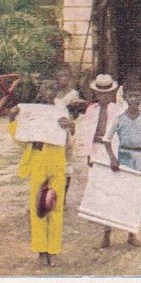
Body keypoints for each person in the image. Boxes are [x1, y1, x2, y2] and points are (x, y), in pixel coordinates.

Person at [9, 77, 73, 267]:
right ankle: (41, 249)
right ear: (39, 90)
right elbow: (21, 138)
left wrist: (70, 128)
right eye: (45, 88)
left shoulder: (62, 112)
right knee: (38, 206)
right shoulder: (30, 112)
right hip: (38, 158)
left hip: (57, 159)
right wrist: (12, 119)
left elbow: (69, 141)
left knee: (55, 206)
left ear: (56, 92)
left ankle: (53, 249)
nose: (48, 92)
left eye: (52, 88)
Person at [100, 85, 141, 248]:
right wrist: (112, 159)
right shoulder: (119, 118)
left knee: (137, 198)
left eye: (137, 96)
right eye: (130, 96)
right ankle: (106, 235)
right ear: (125, 98)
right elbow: (106, 140)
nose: (134, 99)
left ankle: (131, 235)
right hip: (123, 157)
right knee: (116, 197)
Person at [77, 73, 121, 167]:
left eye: (106, 93)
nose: (103, 96)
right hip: (95, 146)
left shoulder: (118, 110)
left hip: (111, 148)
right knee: (94, 176)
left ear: (112, 93)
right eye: (100, 93)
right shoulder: (91, 109)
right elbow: (87, 132)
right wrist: (88, 154)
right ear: (96, 94)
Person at [54, 63, 82, 206]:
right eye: (60, 76)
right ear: (57, 78)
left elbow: (75, 116)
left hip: (67, 130)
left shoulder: (73, 94)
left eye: (66, 75)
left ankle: (63, 197)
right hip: (53, 131)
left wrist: (74, 108)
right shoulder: (53, 94)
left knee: (66, 162)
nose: (63, 78)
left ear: (70, 78)